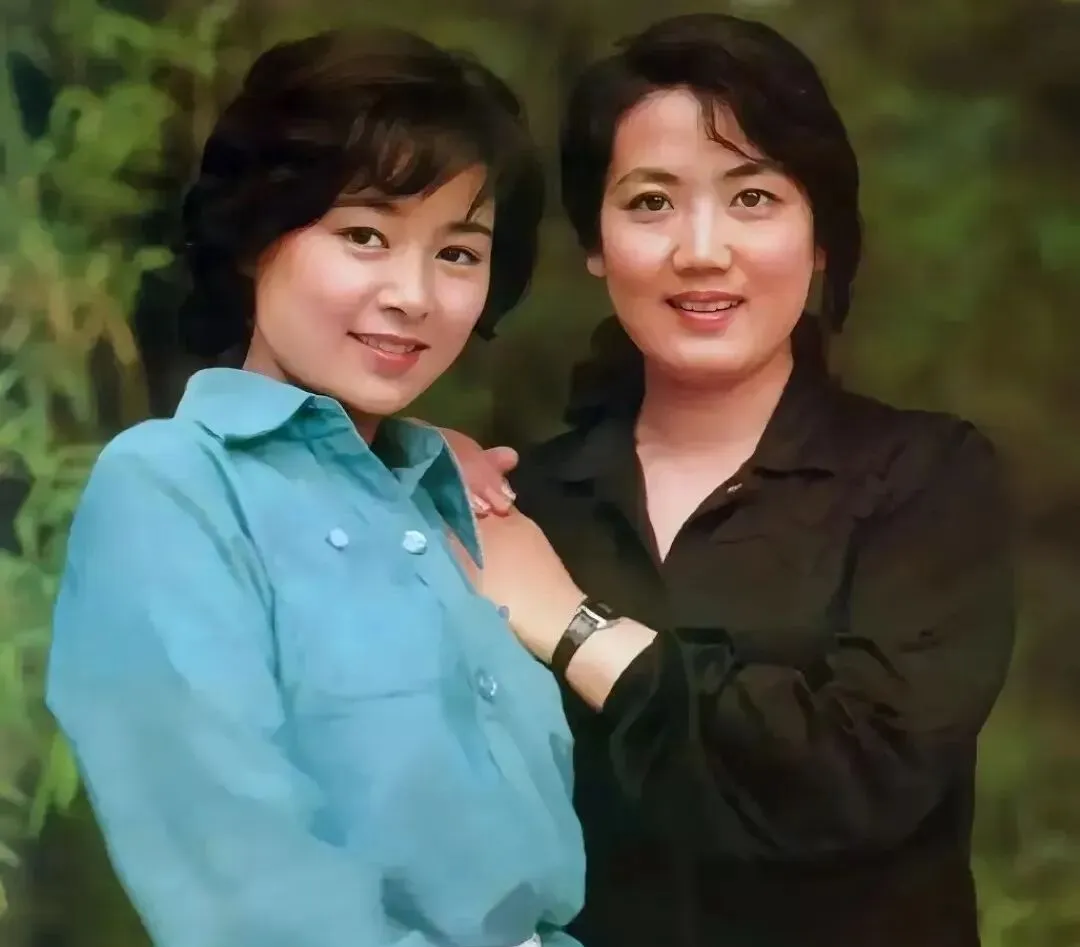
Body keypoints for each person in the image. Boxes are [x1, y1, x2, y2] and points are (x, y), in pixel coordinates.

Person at [455, 13, 1016, 947]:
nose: (702, 249)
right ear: (595, 240)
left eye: (753, 196)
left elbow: (860, 776)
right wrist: (414, 452)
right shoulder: (522, 505)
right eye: (650, 202)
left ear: (821, 232)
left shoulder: (925, 479)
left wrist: (576, 627)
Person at [46, 28, 584, 947]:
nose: (413, 294)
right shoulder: (171, 489)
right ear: (255, 234)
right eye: (364, 235)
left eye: (459, 252)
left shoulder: (453, 502)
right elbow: (244, 888)